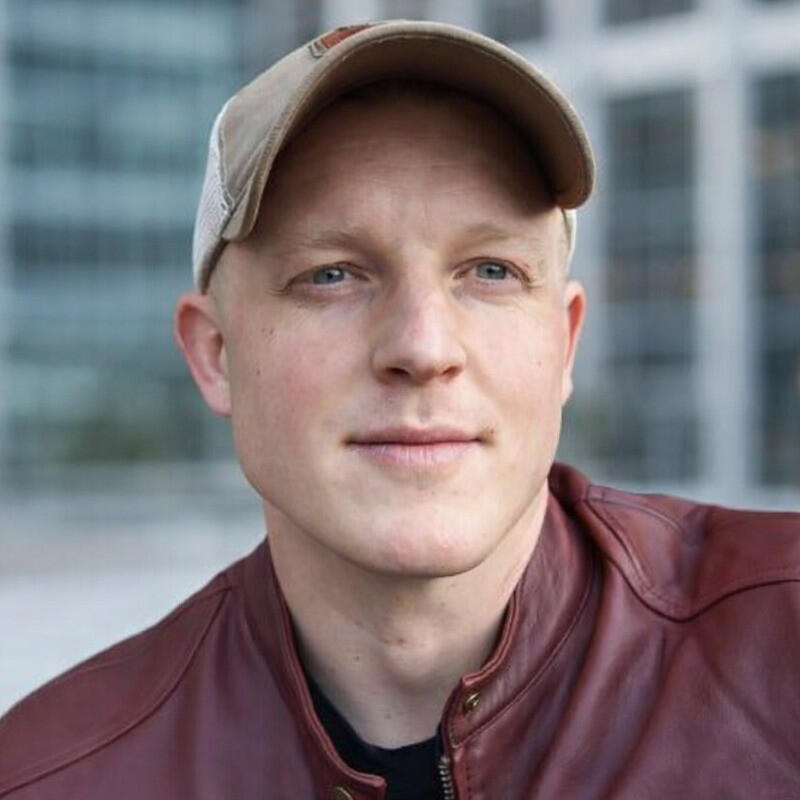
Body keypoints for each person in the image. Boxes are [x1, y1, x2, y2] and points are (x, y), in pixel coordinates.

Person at [1, 19, 799, 800]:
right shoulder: (53, 777)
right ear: (216, 355)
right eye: (332, 275)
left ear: (564, 343)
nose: (423, 347)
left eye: (490, 270)